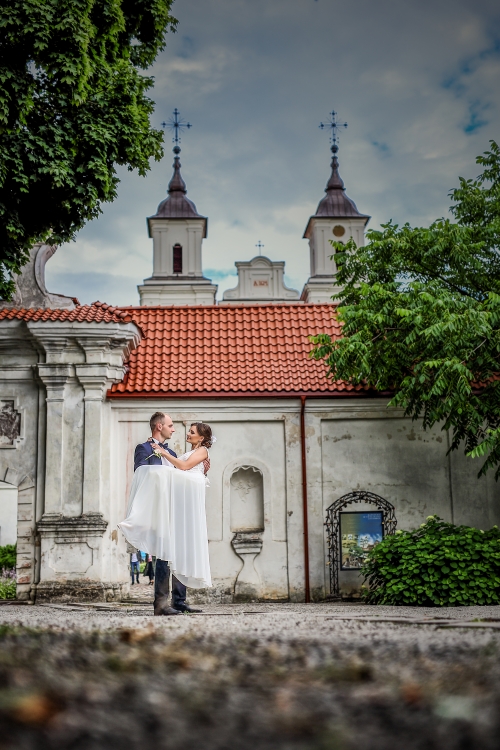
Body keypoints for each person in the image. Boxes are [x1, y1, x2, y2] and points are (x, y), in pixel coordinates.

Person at [119, 412, 211, 616]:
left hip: (174, 506)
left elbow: (181, 474)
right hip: (157, 508)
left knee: (178, 552)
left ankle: (179, 601)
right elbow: (141, 475)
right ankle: (160, 604)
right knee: (162, 554)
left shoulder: (170, 452)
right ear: (159, 426)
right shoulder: (143, 449)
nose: (175, 429)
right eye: (171, 425)